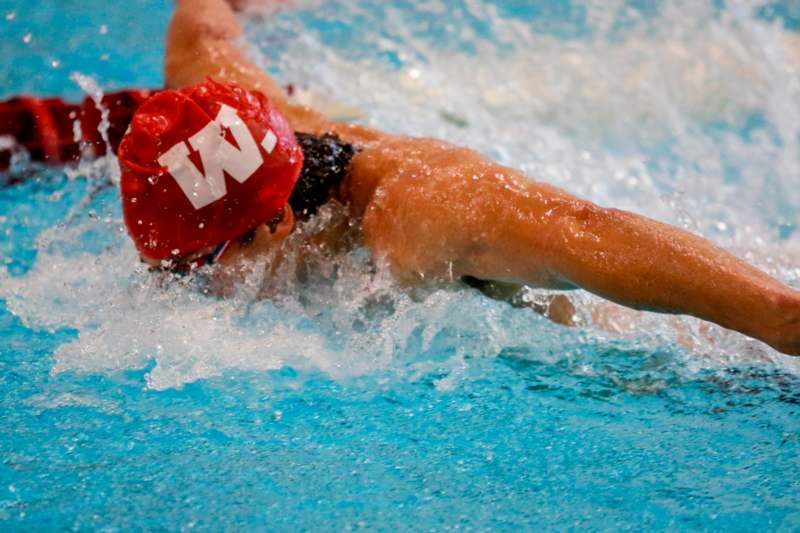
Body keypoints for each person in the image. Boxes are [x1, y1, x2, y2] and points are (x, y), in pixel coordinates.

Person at [7, 0, 800, 356]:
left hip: (659, 331)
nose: (180, 287)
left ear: (277, 221)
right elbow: (207, 15)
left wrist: (780, 320)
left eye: (195, 265)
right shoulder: (223, 99)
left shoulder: (423, 216)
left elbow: (589, 233)